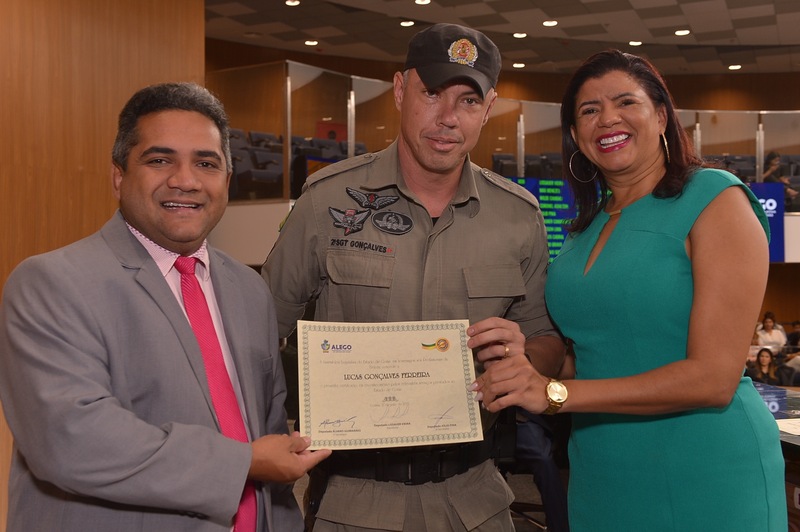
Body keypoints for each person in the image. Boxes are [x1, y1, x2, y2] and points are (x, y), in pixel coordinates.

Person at [262, 23, 566, 532]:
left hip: (476, 499)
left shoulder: (519, 217)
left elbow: (546, 341)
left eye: (468, 101)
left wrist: (523, 361)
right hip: (351, 502)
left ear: (488, 109)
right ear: (401, 91)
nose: (448, 118)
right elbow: (259, 331)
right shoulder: (326, 200)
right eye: (432, 93)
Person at [473, 50, 787, 531]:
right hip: (602, 471)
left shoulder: (715, 197)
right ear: (576, 135)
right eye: (589, 110)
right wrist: (527, 360)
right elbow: (592, 356)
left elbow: (713, 378)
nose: (607, 119)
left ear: (660, 116)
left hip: (706, 468)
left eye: (625, 102)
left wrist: (554, 393)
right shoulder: (581, 231)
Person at [0, 82, 330, 532]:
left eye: (206, 163)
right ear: (119, 176)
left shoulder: (249, 290)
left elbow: (273, 442)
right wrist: (244, 462)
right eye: (160, 160)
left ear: (227, 179)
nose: (185, 180)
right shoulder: (52, 283)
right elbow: (71, 439)